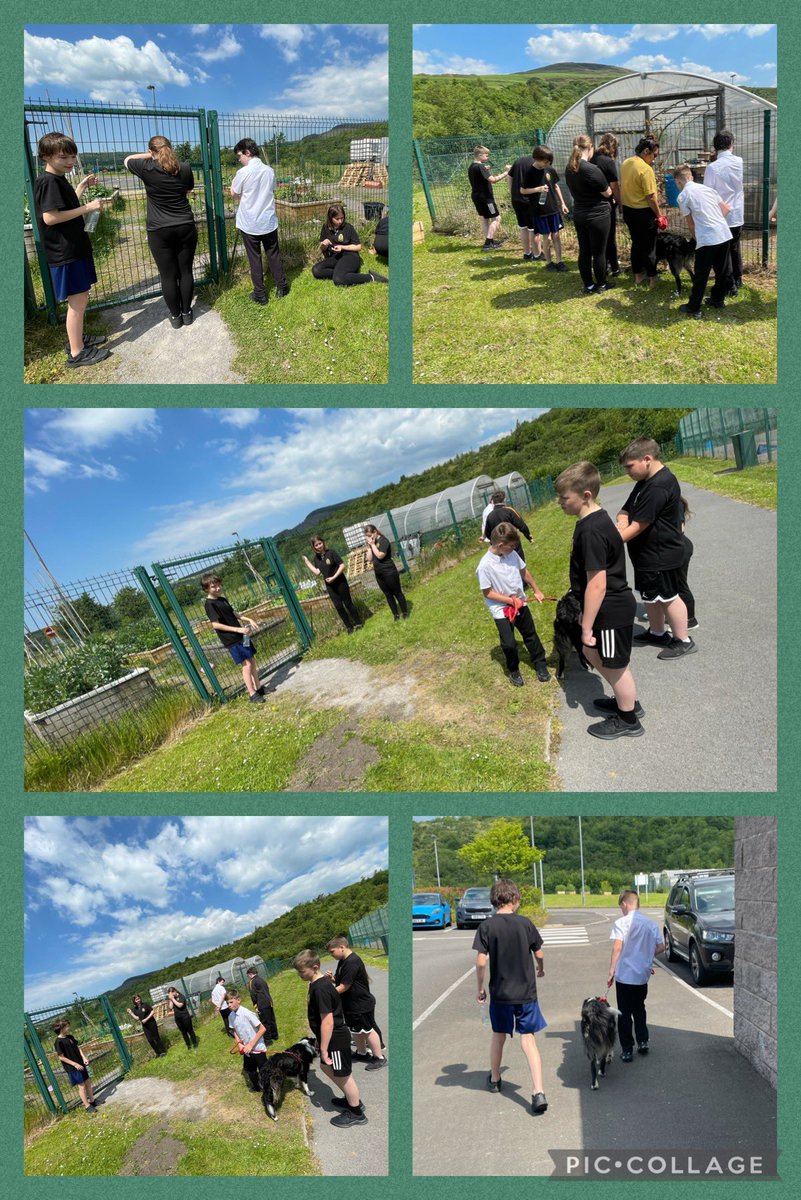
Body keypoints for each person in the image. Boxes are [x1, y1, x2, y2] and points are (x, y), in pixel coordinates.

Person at [555, 461, 643, 741]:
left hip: (610, 608)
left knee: (616, 667)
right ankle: (625, 701)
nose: (560, 502)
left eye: (564, 497)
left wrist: (586, 626)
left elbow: (597, 584)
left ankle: (628, 718)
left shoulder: (591, 530)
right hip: (606, 607)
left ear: (585, 495)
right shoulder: (594, 520)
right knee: (596, 654)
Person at [33, 131, 111, 368]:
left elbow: (64, 207)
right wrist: (88, 207)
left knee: (81, 297)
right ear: (46, 156)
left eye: (73, 156)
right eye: (63, 157)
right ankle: (77, 353)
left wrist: (80, 188)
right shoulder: (48, 182)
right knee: (78, 300)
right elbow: (50, 217)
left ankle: (77, 339)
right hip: (65, 252)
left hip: (72, 248)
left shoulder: (57, 179)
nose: (70, 161)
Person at [615, 438, 697, 660]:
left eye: (629, 466)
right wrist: (622, 520)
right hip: (645, 556)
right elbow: (625, 510)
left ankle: (683, 640)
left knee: (668, 597)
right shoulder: (644, 482)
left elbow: (639, 525)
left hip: (661, 555)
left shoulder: (659, 485)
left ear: (647, 459)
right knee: (652, 596)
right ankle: (658, 632)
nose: (627, 472)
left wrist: (610, 541)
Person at [473, 879, 548, 1115]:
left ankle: (495, 1079)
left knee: (499, 1036)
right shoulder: (525, 923)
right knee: (528, 1039)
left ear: (494, 900)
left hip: (501, 993)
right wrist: (540, 968)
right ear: (515, 899)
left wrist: (480, 988)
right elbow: (539, 953)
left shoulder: (486, 926)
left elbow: (481, 962)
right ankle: (538, 1092)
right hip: (526, 993)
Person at [124, 136, 197, 328]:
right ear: (170, 148)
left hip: (159, 230)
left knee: (167, 275)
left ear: (151, 152)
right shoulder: (185, 168)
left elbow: (127, 160)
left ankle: (175, 317)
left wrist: (150, 156)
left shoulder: (146, 168)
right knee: (185, 271)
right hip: (185, 226)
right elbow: (189, 188)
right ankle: (187, 313)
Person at [293, 949, 367, 1128]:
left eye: (302, 971)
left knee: (344, 1075)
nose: (300, 975)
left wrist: (324, 1049)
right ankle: (351, 1098)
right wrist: (320, 1040)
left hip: (335, 1038)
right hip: (329, 1037)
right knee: (326, 1067)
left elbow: (327, 1021)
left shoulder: (321, 988)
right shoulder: (316, 984)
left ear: (315, 967)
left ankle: (356, 1112)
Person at [477, 522, 550, 686]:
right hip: (501, 609)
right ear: (500, 545)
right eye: (511, 546)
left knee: (530, 635)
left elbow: (524, 572)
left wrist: (537, 590)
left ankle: (540, 663)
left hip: (520, 602)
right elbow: (488, 593)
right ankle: (513, 669)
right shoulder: (484, 566)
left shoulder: (512, 555)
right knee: (509, 644)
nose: (514, 548)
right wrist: (510, 601)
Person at [230, 138, 289, 305]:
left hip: (250, 224)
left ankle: (260, 294)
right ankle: (282, 286)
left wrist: (233, 182)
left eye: (239, 155)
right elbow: (272, 190)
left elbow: (234, 194)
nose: (239, 159)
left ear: (247, 153)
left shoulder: (242, 173)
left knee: (254, 258)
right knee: (273, 255)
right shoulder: (269, 171)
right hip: (268, 221)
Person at [607, 890, 664, 1061]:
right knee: (639, 1008)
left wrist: (611, 970)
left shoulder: (621, 923)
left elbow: (617, 947)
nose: (621, 910)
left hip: (624, 976)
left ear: (625, 904)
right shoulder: (650, 924)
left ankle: (627, 1050)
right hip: (642, 976)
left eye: (621, 907)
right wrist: (646, 959)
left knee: (624, 1012)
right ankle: (643, 1041)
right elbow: (661, 947)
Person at [673, 164, 733, 319]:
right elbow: (726, 209)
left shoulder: (683, 196)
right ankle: (718, 300)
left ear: (678, 182)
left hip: (707, 238)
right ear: (691, 177)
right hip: (724, 233)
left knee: (701, 274)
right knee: (721, 271)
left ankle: (694, 307)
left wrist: (697, 238)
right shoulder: (708, 189)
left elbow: (691, 224)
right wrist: (715, 221)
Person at [326, 936, 387, 1070]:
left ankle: (379, 1057)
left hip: (360, 1003)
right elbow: (341, 981)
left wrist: (326, 994)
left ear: (342, 947)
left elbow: (345, 986)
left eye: (332, 952)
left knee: (367, 1030)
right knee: (356, 1030)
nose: (331, 955)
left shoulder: (352, 961)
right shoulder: (343, 961)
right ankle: (362, 1053)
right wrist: (332, 979)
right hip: (351, 1004)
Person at [201, 574, 264, 703]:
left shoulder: (222, 599)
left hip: (242, 636)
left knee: (252, 660)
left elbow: (233, 613)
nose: (218, 588)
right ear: (206, 589)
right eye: (214, 586)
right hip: (232, 640)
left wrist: (248, 619)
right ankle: (252, 694)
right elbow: (215, 624)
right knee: (246, 665)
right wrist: (238, 630)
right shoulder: (209, 604)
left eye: (219, 585)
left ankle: (259, 688)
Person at [564, 135, 613, 294]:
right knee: (599, 252)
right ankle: (602, 284)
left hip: (579, 213)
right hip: (597, 215)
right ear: (590, 148)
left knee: (584, 251)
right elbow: (608, 192)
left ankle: (589, 285)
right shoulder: (591, 169)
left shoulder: (569, 169)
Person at [620, 136, 666, 287]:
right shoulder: (646, 169)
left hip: (628, 210)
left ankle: (638, 276)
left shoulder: (626, 163)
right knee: (649, 247)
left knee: (636, 244)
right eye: (654, 155)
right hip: (643, 213)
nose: (654, 159)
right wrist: (659, 215)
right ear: (646, 151)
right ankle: (652, 278)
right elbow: (651, 197)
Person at [702, 131, 744, 295]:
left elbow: (708, 193)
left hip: (721, 214)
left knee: (723, 252)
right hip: (737, 212)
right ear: (731, 144)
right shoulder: (739, 161)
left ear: (714, 147)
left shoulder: (712, 168)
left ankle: (729, 285)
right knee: (735, 247)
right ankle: (737, 279)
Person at [518, 144, 569, 271]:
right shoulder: (530, 172)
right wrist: (538, 189)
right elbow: (523, 190)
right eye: (545, 161)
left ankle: (560, 261)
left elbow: (555, 186)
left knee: (556, 235)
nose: (547, 164)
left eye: (549, 161)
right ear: (537, 158)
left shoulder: (549, 169)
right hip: (540, 211)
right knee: (546, 237)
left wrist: (563, 203)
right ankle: (549, 262)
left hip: (553, 209)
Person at [311, 204, 387, 286]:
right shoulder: (325, 227)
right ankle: (345, 275)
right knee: (316, 270)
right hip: (335, 257)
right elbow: (322, 248)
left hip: (350, 256)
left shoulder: (348, 228)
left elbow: (358, 247)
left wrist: (342, 247)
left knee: (339, 280)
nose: (340, 221)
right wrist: (324, 244)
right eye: (337, 219)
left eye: (342, 218)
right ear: (330, 218)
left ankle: (371, 277)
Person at [302, 536, 363, 634]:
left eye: (320, 543)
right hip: (330, 586)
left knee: (348, 603)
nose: (319, 546)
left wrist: (334, 577)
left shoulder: (331, 552)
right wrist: (307, 562)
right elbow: (317, 572)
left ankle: (358, 623)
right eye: (316, 545)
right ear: (314, 547)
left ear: (323, 542)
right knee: (338, 606)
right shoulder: (316, 558)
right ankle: (349, 627)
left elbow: (342, 565)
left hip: (340, 582)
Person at [226, 989, 269, 1094]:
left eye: (231, 1002)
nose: (229, 1005)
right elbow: (235, 1031)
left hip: (257, 1048)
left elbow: (262, 1029)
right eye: (227, 1003)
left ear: (238, 1000)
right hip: (246, 1050)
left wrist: (251, 1045)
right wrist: (240, 1044)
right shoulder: (231, 1016)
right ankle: (257, 1086)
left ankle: (268, 1090)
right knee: (250, 1070)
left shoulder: (247, 1013)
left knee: (264, 1071)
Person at [468, 146, 510, 249]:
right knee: (496, 218)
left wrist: (485, 169)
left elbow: (479, 175)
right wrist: (506, 173)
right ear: (480, 155)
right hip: (486, 198)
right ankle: (488, 242)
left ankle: (489, 240)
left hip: (476, 196)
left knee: (484, 218)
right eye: (486, 155)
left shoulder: (472, 166)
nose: (488, 157)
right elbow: (493, 180)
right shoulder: (480, 167)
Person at [364, 524, 408, 621]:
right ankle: (396, 615)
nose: (369, 538)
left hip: (389, 572)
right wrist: (369, 547)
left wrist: (373, 545)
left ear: (375, 532)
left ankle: (405, 612)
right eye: (367, 536)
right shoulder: (372, 543)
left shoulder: (384, 541)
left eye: (370, 535)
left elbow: (380, 556)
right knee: (388, 595)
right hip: (379, 574)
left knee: (397, 592)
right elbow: (369, 559)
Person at [592, 133, 622, 276]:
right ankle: (614, 267)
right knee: (610, 237)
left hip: (592, 203)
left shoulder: (591, 158)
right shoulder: (608, 162)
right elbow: (614, 186)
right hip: (607, 204)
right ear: (614, 146)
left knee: (597, 239)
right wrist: (620, 203)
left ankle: (603, 265)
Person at [507, 149, 544, 262]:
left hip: (516, 199)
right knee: (534, 229)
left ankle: (527, 253)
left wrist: (512, 191)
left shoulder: (519, 160)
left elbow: (509, 176)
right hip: (529, 200)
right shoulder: (537, 164)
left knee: (523, 227)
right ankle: (537, 254)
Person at [53, 1018, 97, 1114]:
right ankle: (87, 1106)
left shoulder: (70, 1037)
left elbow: (77, 1048)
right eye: (67, 1026)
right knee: (82, 1087)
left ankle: (92, 1101)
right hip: (73, 1068)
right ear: (61, 1028)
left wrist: (84, 1058)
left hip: (81, 1064)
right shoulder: (58, 1042)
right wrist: (75, 1064)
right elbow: (61, 1057)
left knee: (88, 1083)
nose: (69, 1027)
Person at [482, 492, 534, 561]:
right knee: (519, 562)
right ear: (504, 500)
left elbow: (488, 534)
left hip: (500, 547)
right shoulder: (509, 511)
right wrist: (529, 537)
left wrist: (494, 543)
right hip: (513, 543)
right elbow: (521, 525)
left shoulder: (490, 516)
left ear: (493, 502)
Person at [675, 496, 698, 632]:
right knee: (671, 584)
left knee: (680, 584)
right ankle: (673, 614)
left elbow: (679, 529)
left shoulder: (675, 503)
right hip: (677, 547)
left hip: (680, 548)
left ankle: (690, 619)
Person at [246, 966, 279, 1044]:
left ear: (250, 974)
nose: (248, 977)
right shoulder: (261, 979)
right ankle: (275, 1036)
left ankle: (268, 1040)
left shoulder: (252, 981)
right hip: (269, 1001)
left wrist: (255, 1005)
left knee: (264, 1022)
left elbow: (253, 995)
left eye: (248, 975)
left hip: (261, 1004)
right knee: (271, 1020)